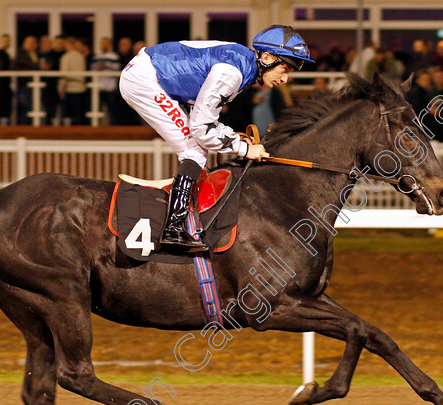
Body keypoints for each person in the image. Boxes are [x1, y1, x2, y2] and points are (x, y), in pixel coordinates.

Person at [119, 24, 313, 250]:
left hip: (151, 75)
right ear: (267, 57)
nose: (285, 80)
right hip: (145, 80)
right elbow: (202, 128)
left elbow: (204, 119)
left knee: (196, 147)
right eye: (285, 70)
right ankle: (173, 228)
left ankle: (178, 223)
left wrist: (233, 139)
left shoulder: (244, 65)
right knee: (194, 149)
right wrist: (243, 148)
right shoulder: (232, 73)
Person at [57, 37, 88, 125]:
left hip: (70, 88)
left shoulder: (66, 57)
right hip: (81, 88)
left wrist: (61, 89)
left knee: (69, 115)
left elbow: (64, 74)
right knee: (79, 114)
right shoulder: (81, 56)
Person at [91, 37, 120, 125]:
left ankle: (113, 127)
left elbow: (117, 68)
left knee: (112, 110)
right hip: (99, 87)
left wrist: (105, 65)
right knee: (97, 109)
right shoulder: (97, 57)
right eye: (102, 43)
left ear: (110, 45)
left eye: (105, 43)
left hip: (110, 87)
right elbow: (92, 69)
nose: (103, 45)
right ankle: (97, 126)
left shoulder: (114, 56)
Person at [14, 36, 40, 125]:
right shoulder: (21, 54)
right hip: (24, 85)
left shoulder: (38, 54)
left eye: (34, 43)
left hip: (36, 85)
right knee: (25, 106)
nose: (32, 45)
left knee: (35, 106)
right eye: (30, 43)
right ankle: (24, 125)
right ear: (25, 44)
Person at [0, 34, 13, 125]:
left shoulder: (7, 54)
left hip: (6, 83)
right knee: (2, 104)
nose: (7, 43)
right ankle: (1, 122)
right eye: (5, 41)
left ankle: (4, 121)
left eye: (8, 41)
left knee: (7, 104)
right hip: (1, 84)